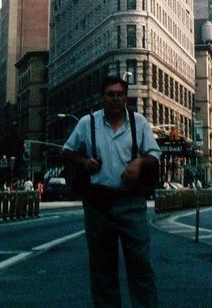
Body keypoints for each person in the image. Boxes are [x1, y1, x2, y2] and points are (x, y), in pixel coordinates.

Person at [63, 75, 161, 308]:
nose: (115, 99)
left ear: (126, 97)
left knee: (141, 267)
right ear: (101, 98)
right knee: (102, 272)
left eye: (119, 94)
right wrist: (84, 162)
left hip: (132, 204)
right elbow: (67, 151)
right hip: (99, 206)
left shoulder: (139, 123)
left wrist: (139, 163)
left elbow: (154, 155)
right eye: (110, 94)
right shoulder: (88, 123)